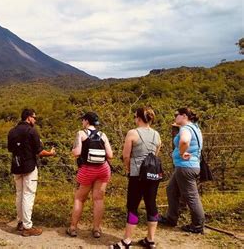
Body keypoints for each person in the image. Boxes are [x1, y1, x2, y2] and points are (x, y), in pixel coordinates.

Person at [111, 107, 161, 249]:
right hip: (153, 174)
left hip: (137, 174)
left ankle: (127, 241)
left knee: (133, 206)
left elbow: (126, 155)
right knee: (151, 204)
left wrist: (128, 167)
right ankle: (150, 240)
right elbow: (156, 153)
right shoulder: (156, 134)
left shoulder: (132, 133)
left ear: (138, 118)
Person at [7, 108, 56, 237]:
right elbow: (39, 152)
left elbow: (10, 149)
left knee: (19, 194)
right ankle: (27, 226)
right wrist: (50, 153)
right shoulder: (32, 131)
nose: (35, 120)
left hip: (16, 166)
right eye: (34, 117)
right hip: (29, 167)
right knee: (28, 195)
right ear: (29, 118)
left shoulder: (12, 131)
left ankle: (20, 222)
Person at [159, 108, 205, 234]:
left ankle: (198, 225)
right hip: (189, 166)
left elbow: (184, 141)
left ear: (184, 116)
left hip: (186, 166)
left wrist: (181, 152)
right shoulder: (195, 127)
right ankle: (171, 218)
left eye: (176, 115)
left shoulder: (185, 129)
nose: (174, 117)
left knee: (191, 196)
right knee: (171, 189)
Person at [67, 112, 112, 239]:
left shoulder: (81, 133)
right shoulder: (103, 135)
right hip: (103, 169)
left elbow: (76, 153)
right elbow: (110, 155)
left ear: (86, 121)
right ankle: (96, 229)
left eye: (83, 120)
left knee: (79, 198)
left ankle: (73, 228)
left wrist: (73, 150)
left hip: (87, 170)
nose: (82, 123)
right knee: (98, 199)